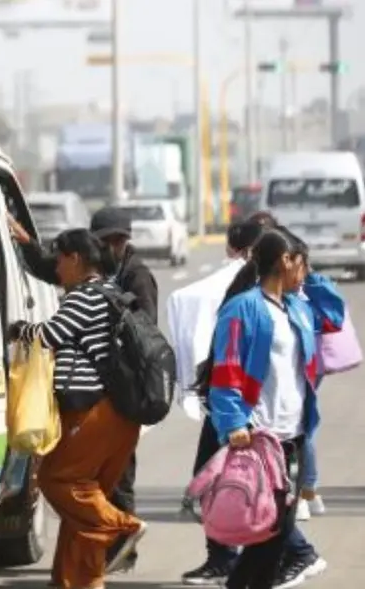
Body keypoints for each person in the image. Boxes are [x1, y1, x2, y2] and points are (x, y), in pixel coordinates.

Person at [9, 206, 156, 570]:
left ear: (75, 259)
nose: (57, 270)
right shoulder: (107, 288)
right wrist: (29, 244)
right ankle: (76, 578)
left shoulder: (87, 295)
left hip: (96, 408)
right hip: (113, 410)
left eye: (60, 260)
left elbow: (50, 335)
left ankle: (122, 527)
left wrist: (18, 330)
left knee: (56, 480)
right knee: (88, 497)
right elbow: (47, 271)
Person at [207, 228, 343, 589]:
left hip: (294, 435)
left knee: (276, 534)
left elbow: (333, 317)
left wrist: (309, 277)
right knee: (267, 531)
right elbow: (227, 368)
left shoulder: (296, 307)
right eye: (303, 262)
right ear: (285, 260)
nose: (306, 270)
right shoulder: (244, 308)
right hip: (259, 437)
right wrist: (234, 421)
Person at [172, 214, 278, 585]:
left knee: (225, 482)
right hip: (249, 407)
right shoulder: (254, 290)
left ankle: (238, 560)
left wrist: (231, 418)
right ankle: (236, 559)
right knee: (246, 485)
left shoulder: (246, 294)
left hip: (238, 408)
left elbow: (227, 361)